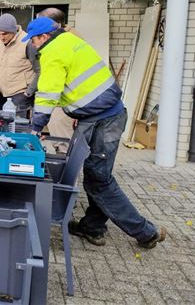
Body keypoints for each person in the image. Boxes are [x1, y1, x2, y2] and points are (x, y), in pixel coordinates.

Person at [24, 17, 166, 249]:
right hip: (104, 114)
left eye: (33, 40)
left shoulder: (52, 53)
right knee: (96, 176)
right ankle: (93, 226)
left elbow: (48, 94)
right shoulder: (70, 40)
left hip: (102, 119)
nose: (33, 45)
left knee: (99, 179)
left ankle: (145, 232)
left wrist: (36, 127)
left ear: (43, 37)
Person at [36, 8, 75, 153]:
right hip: (63, 102)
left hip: (65, 103)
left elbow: (50, 88)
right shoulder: (65, 38)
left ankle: (66, 172)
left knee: (64, 142)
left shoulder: (58, 46)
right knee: (60, 140)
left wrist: (36, 127)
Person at [0, 13, 39, 117]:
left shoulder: (28, 42)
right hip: (1, 93)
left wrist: (29, 92)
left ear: (13, 31)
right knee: (2, 127)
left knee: (18, 128)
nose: (1, 37)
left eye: (4, 34)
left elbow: (40, 70)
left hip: (20, 95)